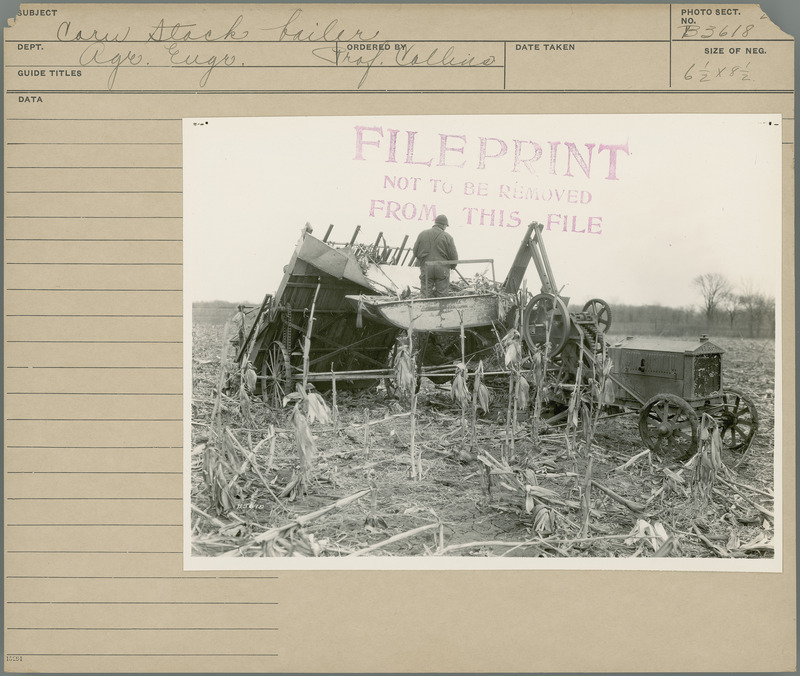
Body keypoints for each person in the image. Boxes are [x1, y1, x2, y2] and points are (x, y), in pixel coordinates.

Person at [412, 214, 458, 297]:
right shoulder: (448, 237)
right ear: (443, 225)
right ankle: (441, 309)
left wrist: (422, 258)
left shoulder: (422, 234)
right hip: (442, 268)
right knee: (442, 294)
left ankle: (425, 308)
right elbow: (454, 256)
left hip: (426, 267)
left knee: (425, 294)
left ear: (436, 223)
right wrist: (453, 266)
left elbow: (415, 252)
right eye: (446, 226)